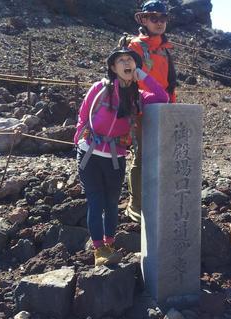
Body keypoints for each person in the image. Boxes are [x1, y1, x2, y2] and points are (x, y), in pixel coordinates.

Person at [74, 46, 169, 266]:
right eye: (121, 60)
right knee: (96, 202)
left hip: (116, 156)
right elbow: (82, 115)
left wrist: (143, 75)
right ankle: (99, 250)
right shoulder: (100, 88)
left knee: (112, 202)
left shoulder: (138, 97)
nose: (127, 63)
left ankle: (110, 243)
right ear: (113, 67)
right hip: (90, 154)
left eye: (130, 60)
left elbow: (162, 97)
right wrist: (78, 141)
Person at [123, 0, 177, 222]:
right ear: (143, 19)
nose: (159, 22)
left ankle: (156, 197)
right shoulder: (135, 47)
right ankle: (135, 204)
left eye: (162, 18)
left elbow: (169, 83)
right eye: (154, 18)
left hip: (163, 110)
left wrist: (172, 109)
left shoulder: (165, 48)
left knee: (162, 156)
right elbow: (128, 80)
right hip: (142, 111)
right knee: (142, 156)